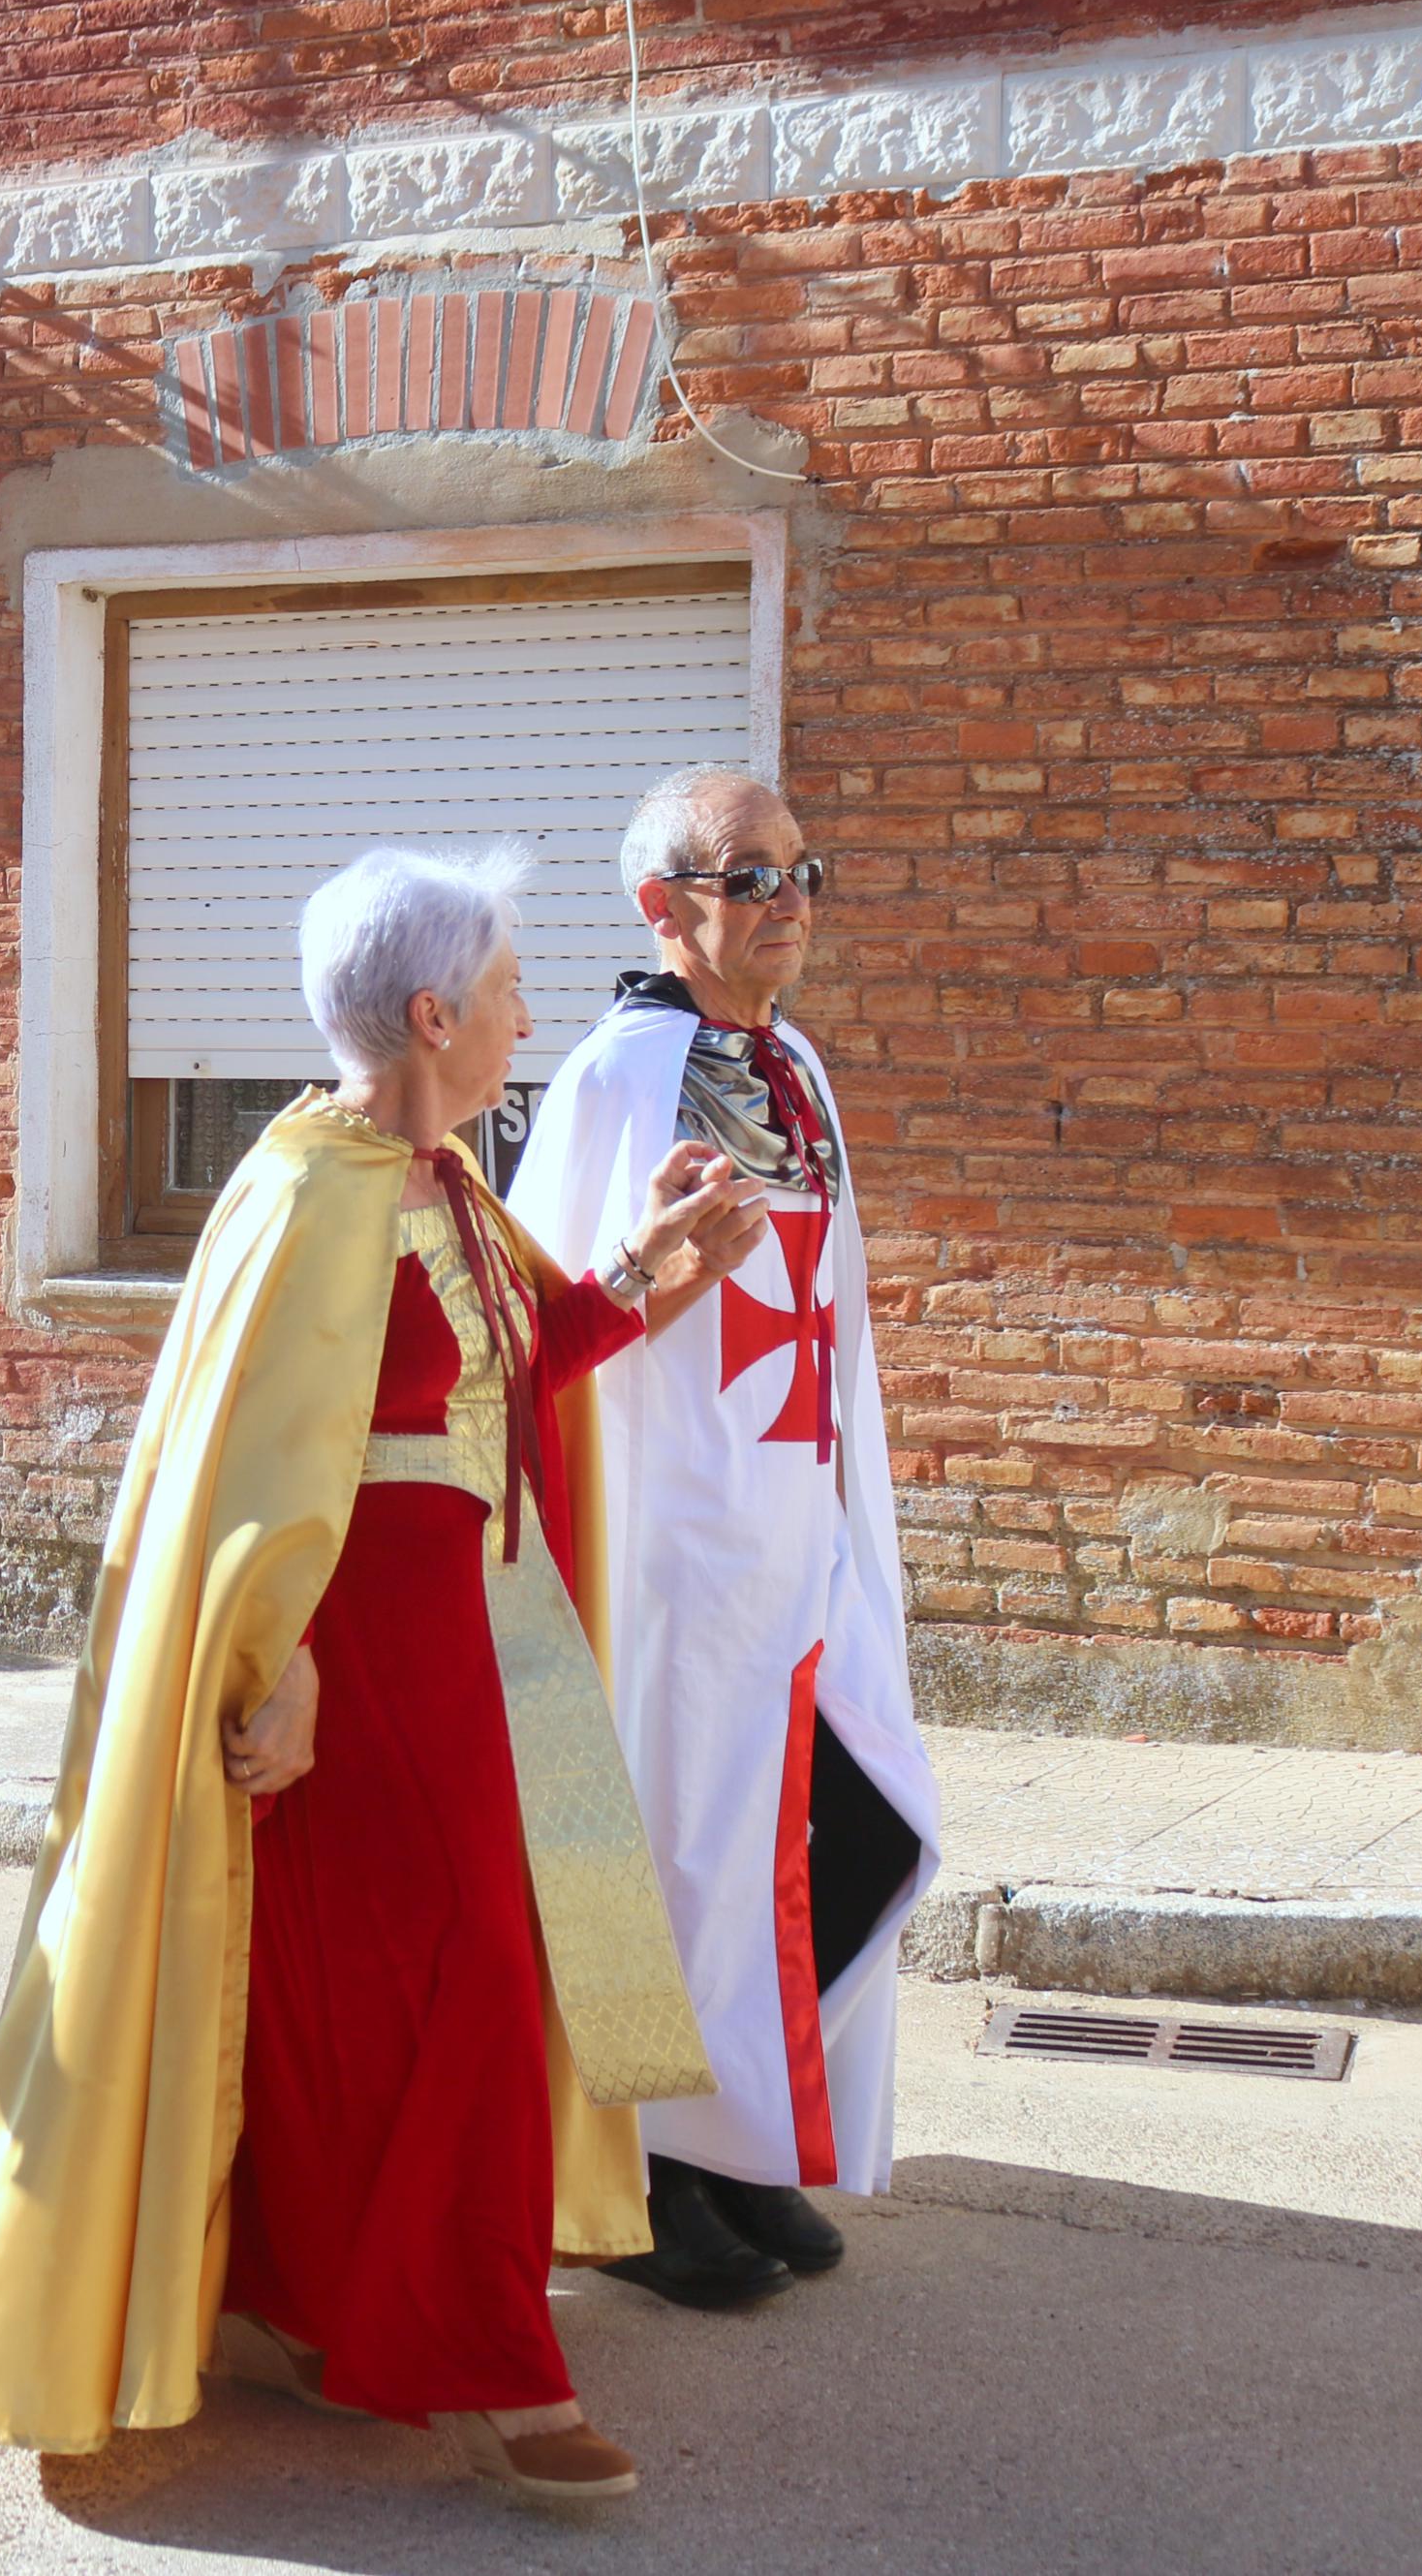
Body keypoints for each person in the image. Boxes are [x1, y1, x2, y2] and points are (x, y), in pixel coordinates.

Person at [0, 847, 764, 2506]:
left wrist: (649, 1267)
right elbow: (268, 1478)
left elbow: (508, 1368)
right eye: (499, 992)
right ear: (429, 1013)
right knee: (463, 1979)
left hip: (498, 1632)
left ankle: (291, 2294)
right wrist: (286, 1668)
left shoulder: (434, 1178)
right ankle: (487, 2361)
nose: (521, 1016)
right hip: (369, 1659)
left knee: (378, 1984)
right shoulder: (310, 1190)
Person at [509, 766, 943, 2307]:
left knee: (847, 1819)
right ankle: (644, 2171)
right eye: (748, 875)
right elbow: (553, 1328)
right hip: (665, 1536)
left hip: (792, 1520)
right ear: (660, 905)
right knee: (668, 1849)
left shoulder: (797, 1065)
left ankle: (741, 2135)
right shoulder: (612, 1080)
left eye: (799, 869)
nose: (789, 901)